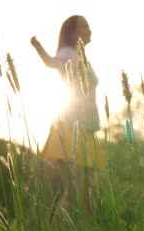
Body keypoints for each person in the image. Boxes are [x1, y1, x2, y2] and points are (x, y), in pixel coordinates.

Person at [30, 15, 103, 215]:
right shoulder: (68, 53)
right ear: (72, 33)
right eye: (84, 26)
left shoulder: (80, 56)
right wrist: (38, 47)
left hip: (87, 125)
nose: (90, 29)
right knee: (77, 189)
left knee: (87, 189)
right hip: (73, 125)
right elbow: (52, 62)